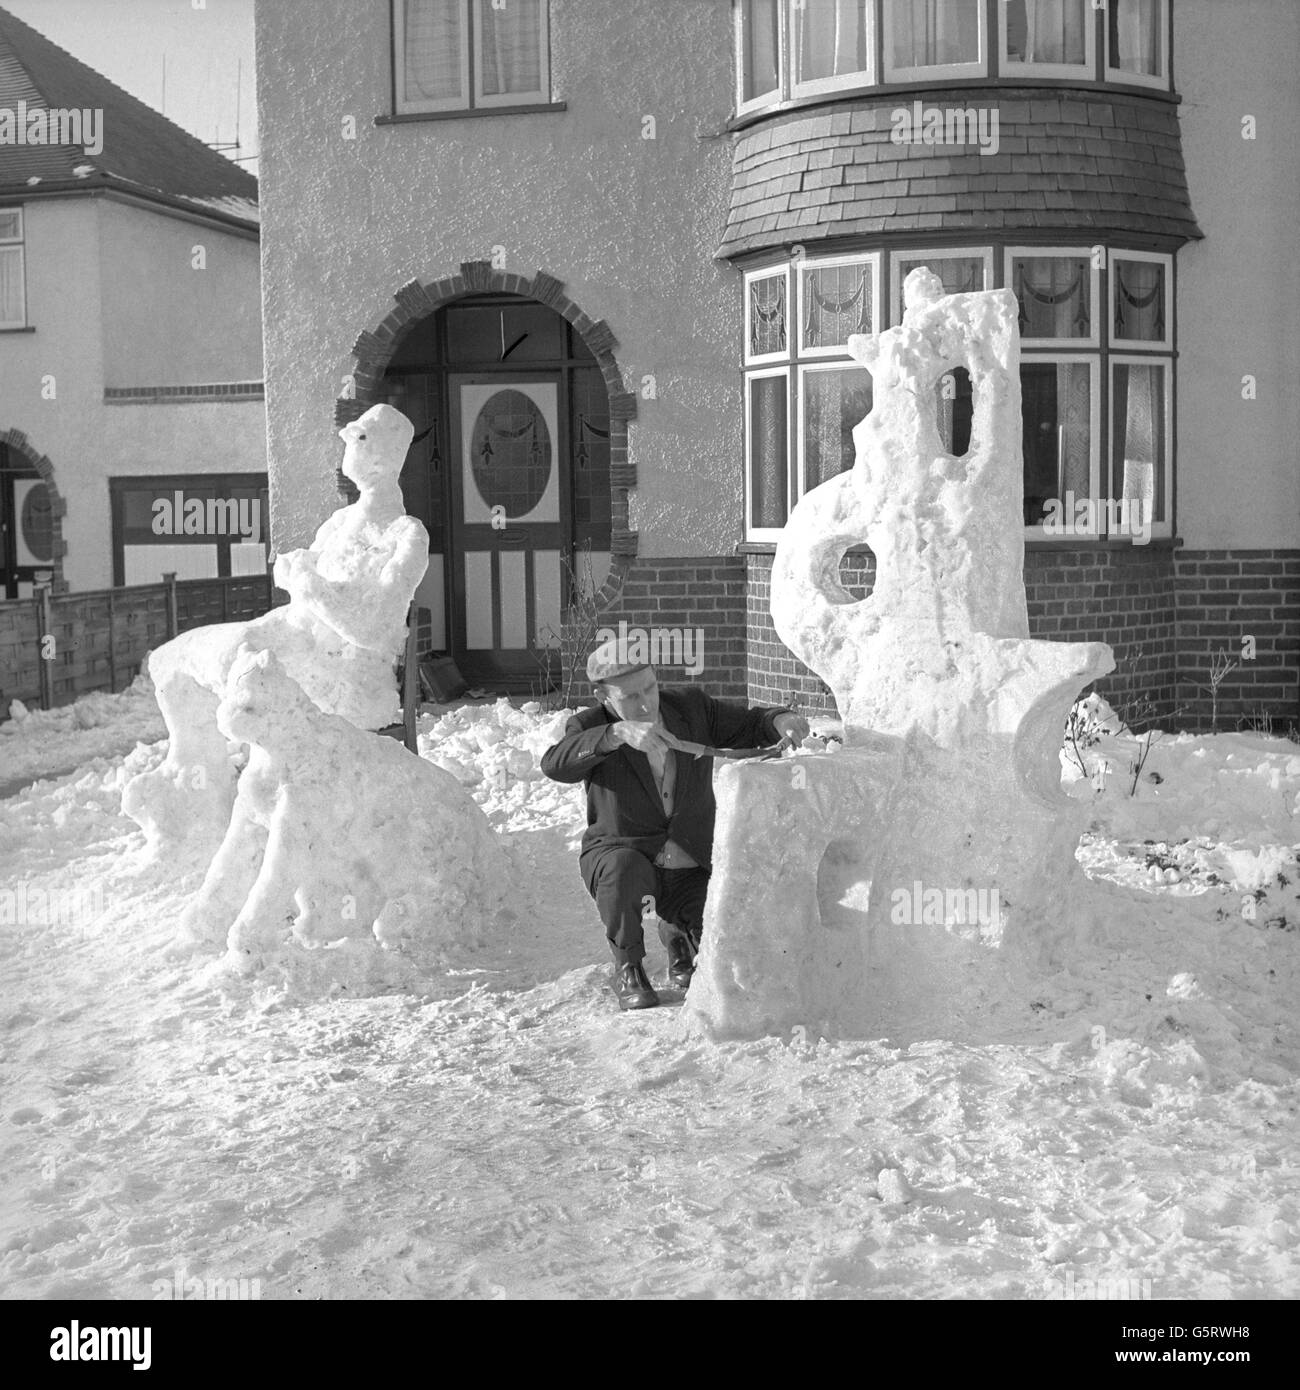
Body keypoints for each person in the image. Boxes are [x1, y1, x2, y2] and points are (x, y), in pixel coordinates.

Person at [540, 639, 809, 1011]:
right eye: (630, 697)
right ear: (603, 697)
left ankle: (679, 936)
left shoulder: (690, 709)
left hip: (689, 860)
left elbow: (749, 724)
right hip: (624, 856)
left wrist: (779, 719)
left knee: (721, 946)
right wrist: (614, 735)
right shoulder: (591, 726)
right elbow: (554, 764)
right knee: (623, 870)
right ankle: (629, 966)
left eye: (650, 687)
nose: (646, 703)